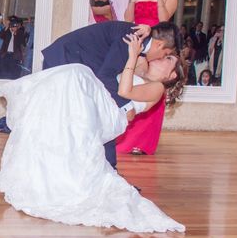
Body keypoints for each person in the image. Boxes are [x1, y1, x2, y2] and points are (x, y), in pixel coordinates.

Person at [0, 32, 185, 233]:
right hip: (102, 102)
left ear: (171, 75)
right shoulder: (142, 69)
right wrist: (142, 43)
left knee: (77, 73)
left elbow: (124, 92)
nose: (161, 58)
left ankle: (26, 100)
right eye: (165, 54)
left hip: (112, 112)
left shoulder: (157, 88)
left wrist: (131, 58)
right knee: (68, 83)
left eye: (168, 59)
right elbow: (134, 54)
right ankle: (53, 175)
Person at [41, 20, 180, 169]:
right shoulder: (133, 39)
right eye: (165, 54)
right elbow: (106, 76)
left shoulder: (137, 43)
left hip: (74, 64)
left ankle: (100, 168)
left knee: (79, 121)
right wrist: (126, 107)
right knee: (62, 117)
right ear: (159, 45)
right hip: (65, 58)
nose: (160, 58)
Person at [118, 0, 178, 156]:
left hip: (157, 48)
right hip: (136, 46)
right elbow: (127, 20)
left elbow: (164, 23)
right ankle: (125, 139)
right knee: (132, 87)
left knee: (152, 88)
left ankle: (143, 142)